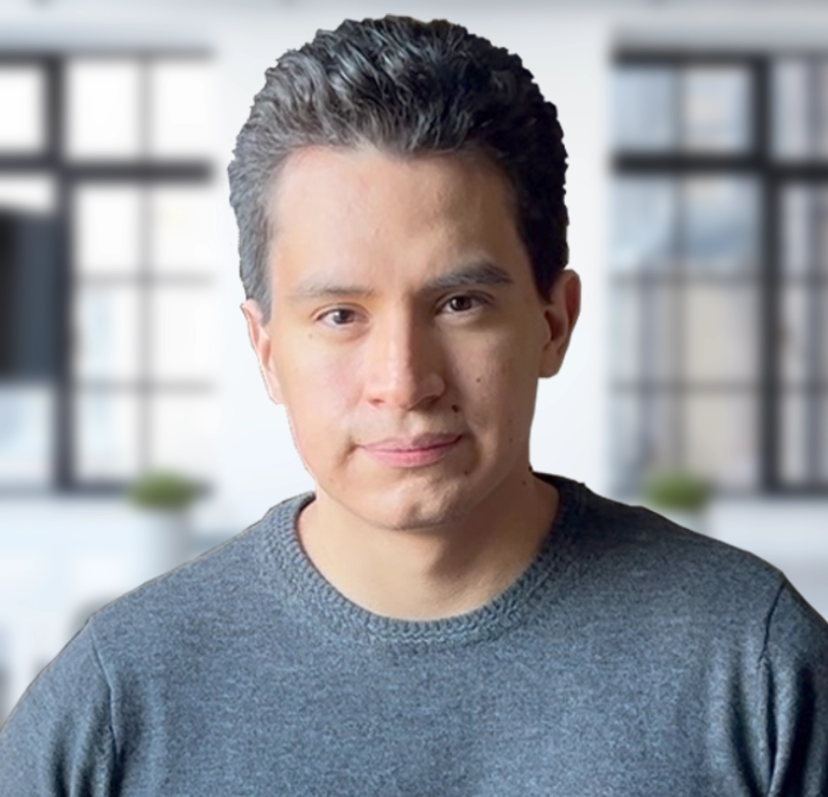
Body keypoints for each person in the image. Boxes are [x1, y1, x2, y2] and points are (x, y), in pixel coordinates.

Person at [1, 15, 827, 796]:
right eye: (339, 315)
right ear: (266, 351)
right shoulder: (117, 702)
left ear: (554, 322)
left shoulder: (752, 668)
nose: (403, 380)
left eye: (460, 302)